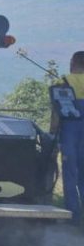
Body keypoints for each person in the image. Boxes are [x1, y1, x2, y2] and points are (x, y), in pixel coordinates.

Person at [51, 51, 84, 225]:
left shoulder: (63, 82)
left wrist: (52, 137)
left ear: (73, 63)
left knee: (70, 175)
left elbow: (57, 113)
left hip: (70, 136)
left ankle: (73, 217)